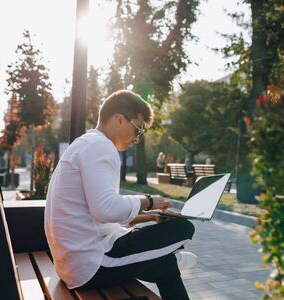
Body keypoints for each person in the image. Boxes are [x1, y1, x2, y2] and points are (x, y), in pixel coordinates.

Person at [45, 90, 197, 299]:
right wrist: (149, 201)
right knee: (184, 227)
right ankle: (167, 255)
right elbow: (105, 209)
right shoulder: (101, 146)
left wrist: (151, 216)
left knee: (166, 266)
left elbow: (99, 212)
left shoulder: (86, 143)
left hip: (74, 261)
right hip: (93, 264)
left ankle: (166, 257)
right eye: (138, 129)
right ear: (119, 119)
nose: (136, 139)